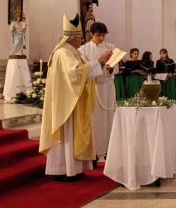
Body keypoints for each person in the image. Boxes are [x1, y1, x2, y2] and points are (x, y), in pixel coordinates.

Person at [39, 15, 111, 181]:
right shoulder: (63, 53)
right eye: (80, 38)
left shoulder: (71, 52)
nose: (82, 40)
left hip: (72, 99)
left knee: (73, 134)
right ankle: (63, 169)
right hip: (66, 103)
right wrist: (98, 62)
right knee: (67, 135)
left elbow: (81, 71)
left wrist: (99, 64)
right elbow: (75, 73)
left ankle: (75, 168)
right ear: (72, 39)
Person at [78, 22, 117, 162]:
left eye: (103, 35)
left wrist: (111, 67)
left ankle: (109, 149)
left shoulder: (111, 47)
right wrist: (99, 62)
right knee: (96, 119)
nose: (101, 38)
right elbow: (84, 69)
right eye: (98, 35)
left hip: (108, 85)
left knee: (110, 117)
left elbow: (116, 67)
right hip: (94, 86)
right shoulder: (83, 49)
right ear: (91, 34)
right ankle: (95, 150)